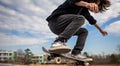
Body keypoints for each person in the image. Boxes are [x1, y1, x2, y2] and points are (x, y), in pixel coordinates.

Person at [46, 0, 111, 59]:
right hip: (55, 22)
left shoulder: (84, 10)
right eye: (94, 3)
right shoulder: (79, 2)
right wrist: (87, 4)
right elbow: (73, 1)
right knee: (80, 18)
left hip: (62, 29)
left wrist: (101, 30)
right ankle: (58, 42)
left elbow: (92, 21)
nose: (93, 7)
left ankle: (76, 53)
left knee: (84, 31)